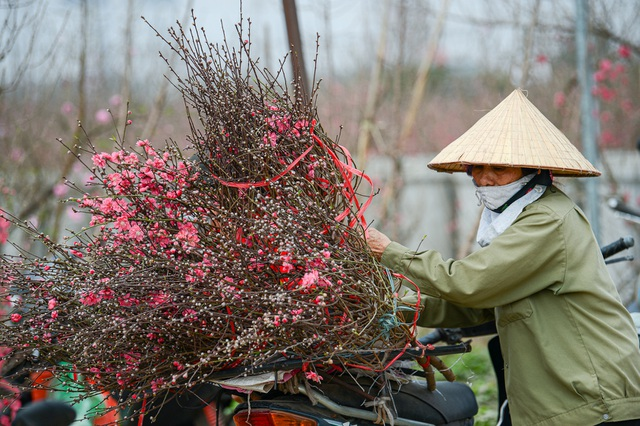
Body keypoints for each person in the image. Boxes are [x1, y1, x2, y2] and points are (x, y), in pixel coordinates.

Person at [366, 88, 640, 426]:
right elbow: (477, 305)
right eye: (477, 167)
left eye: (499, 167)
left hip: (593, 403)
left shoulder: (547, 220)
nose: (485, 178)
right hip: (558, 404)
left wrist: (389, 252)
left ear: (532, 170)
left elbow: (468, 283)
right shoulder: (515, 220)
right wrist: (390, 308)